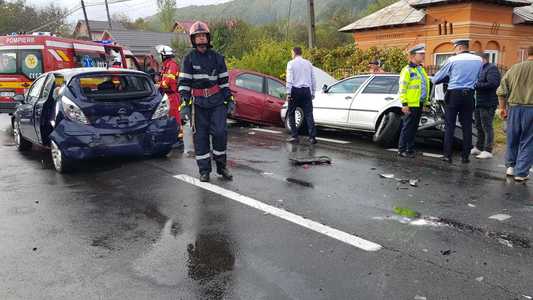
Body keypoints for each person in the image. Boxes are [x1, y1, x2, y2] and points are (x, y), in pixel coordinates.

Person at [178, 21, 234, 182]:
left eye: (203, 36)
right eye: (198, 36)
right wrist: (185, 105)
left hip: (216, 102)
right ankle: (204, 171)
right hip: (198, 105)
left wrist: (229, 100)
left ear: (208, 38)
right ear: (193, 39)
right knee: (200, 137)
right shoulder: (188, 59)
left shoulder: (218, 58)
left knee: (220, 133)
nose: (201, 39)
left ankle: (222, 167)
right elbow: (184, 85)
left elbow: (224, 83)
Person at [432, 39, 483, 163]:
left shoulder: (452, 60)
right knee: (467, 126)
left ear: (460, 48)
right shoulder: (479, 60)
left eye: (455, 48)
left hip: (454, 94)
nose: (454, 50)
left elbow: (437, 78)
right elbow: (479, 78)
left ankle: (447, 155)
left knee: (450, 125)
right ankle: (465, 157)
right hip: (469, 95)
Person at [496, 46, 533, 182]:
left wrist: (502, 108)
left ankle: (510, 167)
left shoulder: (514, 68)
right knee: (528, 140)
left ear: (527, 54)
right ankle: (522, 172)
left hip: (514, 108)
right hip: (531, 109)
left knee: (513, 137)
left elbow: (501, 90)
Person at [397, 44, 430, 158]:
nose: (423, 56)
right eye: (421, 54)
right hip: (410, 104)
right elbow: (402, 88)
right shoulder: (406, 70)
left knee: (414, 128)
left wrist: (425, 102)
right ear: (413, 56)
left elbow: (424, 86)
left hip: (419, 103)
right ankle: (402, 150)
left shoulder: (421, 69)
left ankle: (410, 149)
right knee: (407, 127)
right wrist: (404, 104)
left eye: (423, 54)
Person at [472, 52, 501, 159]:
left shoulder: (491, 69)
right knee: (478, 125)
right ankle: (479, 147)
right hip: (479, 102)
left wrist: (476, 85)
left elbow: (493, 83)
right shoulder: (480, 69)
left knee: (487, 126)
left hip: (488, 103)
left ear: (483, 59)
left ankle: (488, 150)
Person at [285, 47, 317, 144]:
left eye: (291, 53)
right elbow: (313, 79)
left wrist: (288, 92)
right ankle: (312, 137)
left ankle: (295, 136)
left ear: (294, 53)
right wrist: (313, 92)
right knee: (308, 113)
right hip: (306, 90)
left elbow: (289, 79)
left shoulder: (291, 63)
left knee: (291, 113)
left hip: (295, 90)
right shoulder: (308, 63)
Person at [157, 45, 182, 144]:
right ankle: (171, 135)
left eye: (160, 55)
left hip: (172, 95)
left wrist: (159, 85)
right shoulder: (166, 65)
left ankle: (178, 138)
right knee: (168, 116)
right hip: (167, 95)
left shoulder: (172, 65)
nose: (159, 57)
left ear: (164, 55)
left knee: (174, 116)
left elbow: (168, 81)